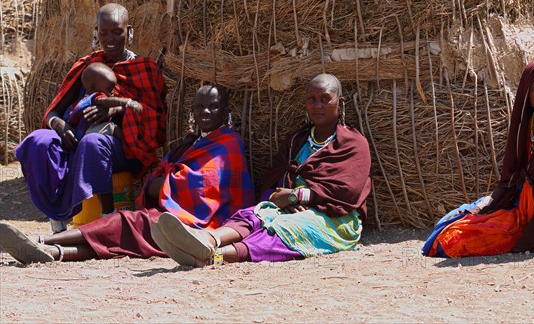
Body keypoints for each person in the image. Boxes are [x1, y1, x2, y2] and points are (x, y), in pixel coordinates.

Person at [0, 85, 255, 264]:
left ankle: (41, 240)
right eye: (199, 106)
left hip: (198, 223)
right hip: (171, 214)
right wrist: (166, 178)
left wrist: (164, 181)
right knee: (120, 238)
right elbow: (165, 175)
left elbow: (204, 186)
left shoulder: (228, 143)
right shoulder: (191, 143)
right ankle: (54, 251)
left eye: (213, 106)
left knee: (122, 225)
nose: (205, 112)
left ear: (225, 111)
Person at [151, 73, 372, 267]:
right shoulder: (297, 140)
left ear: (340, 102)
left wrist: (296, 196)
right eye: (312, 100)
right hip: (290, 208)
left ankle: (213, 256)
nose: (317, 106)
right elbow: (275, 179)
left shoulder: (353, 143)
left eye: (325, 99)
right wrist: (279, 199)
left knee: (282, 228)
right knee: (255, 213)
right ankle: (208, 238)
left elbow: (347, 192)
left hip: (334, 218)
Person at [423, 58, 534, 258]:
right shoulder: (531, 118)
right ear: (526, 91)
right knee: (448, 226)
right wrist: (492, 201)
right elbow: (515, 169)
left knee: (454, 241)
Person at [15, 3, 167, 231]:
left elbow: (154, 119)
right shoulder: (87, 67)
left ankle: (108, 215)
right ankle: (57, 217)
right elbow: (54, 110)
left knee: (93, 142)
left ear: (130, 32)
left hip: (122, 148)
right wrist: (60, 126)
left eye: (117, 31)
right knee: (39, 141)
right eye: (104, 33)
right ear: (96, 33)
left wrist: (118, 110)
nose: (110, 39)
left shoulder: (144, 69)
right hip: (78, 137)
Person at [63, 62, 142, 141]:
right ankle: (128, 145)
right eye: (109, 89)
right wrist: (128, 102)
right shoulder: (96, 96)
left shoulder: (80, 102)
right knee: (112, 127)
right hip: (90, 132)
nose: (112, 93)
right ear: (93, 88)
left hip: (77, 133)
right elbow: (108, 101)